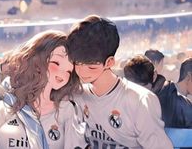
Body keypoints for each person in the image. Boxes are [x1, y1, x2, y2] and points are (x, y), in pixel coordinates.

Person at [0, 30, 89, 149]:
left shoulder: (67, 110)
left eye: (69, 71)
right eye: (56, 63)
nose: (63, 74)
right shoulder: (0, 102)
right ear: (37, 61)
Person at [67, 15, 173, 149]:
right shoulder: (77, 95)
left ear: (109, 62)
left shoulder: (140, 100)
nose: (82, 71)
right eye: (78, 63)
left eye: (91, 67)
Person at [124, 54, 192, 129]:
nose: (140, 93)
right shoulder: (125, 102)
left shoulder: (180, 105)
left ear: (154, 76)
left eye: (143, 87)